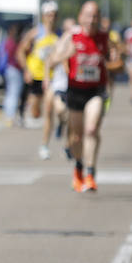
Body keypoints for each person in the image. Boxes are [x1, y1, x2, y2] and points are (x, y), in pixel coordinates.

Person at [49, 1, 118, 193]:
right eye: (88, 16)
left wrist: (113, 61)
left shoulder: (104, 38)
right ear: (81, 17)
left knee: (91, 129)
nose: (92, 20)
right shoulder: (71, 36)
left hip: (95, 90)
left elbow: (117, 59)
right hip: (75, 91)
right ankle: (79, 166)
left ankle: (90, 172)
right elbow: (51, 60)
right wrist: (65, 53)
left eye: (95, 16)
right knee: (76, 136)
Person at [17, 1, 59, 138]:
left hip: (52, 77)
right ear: (43, 16)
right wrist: (26, 70)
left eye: (54, 15)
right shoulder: (36, 33)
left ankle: (50, 132)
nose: (51, 18)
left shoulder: (58, 35)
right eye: (48, 15)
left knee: (51, 106)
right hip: (36, 74)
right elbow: (20, 52)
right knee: (36, 112)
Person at [41, 17, 73, 161]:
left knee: (71, 117)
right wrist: (47, 79)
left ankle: (68, 146)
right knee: (55, 111)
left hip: (74, 86)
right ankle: (44, 146)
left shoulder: (80, 44)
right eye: (68, 30)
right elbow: (50, 61)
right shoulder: (58, 45)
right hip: (59, 85)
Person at [0, 23, 24, 126]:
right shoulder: (17, 43)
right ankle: (10, 116)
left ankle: (8, 115)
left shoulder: (8, 42)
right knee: (14, 94)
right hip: (15, 70)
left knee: (9, 93)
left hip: (8, 69)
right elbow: (19, 57)